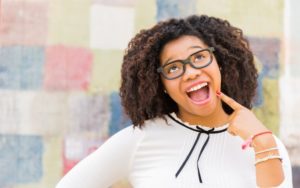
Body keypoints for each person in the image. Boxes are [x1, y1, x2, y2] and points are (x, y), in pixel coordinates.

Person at [56, 15, 293, 188]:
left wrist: (263, 143)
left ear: (220, 63)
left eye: (199, 57)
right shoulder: (141, 139)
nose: (190, 73)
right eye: (173, 68)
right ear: (162, 85)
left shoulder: (266, 143)